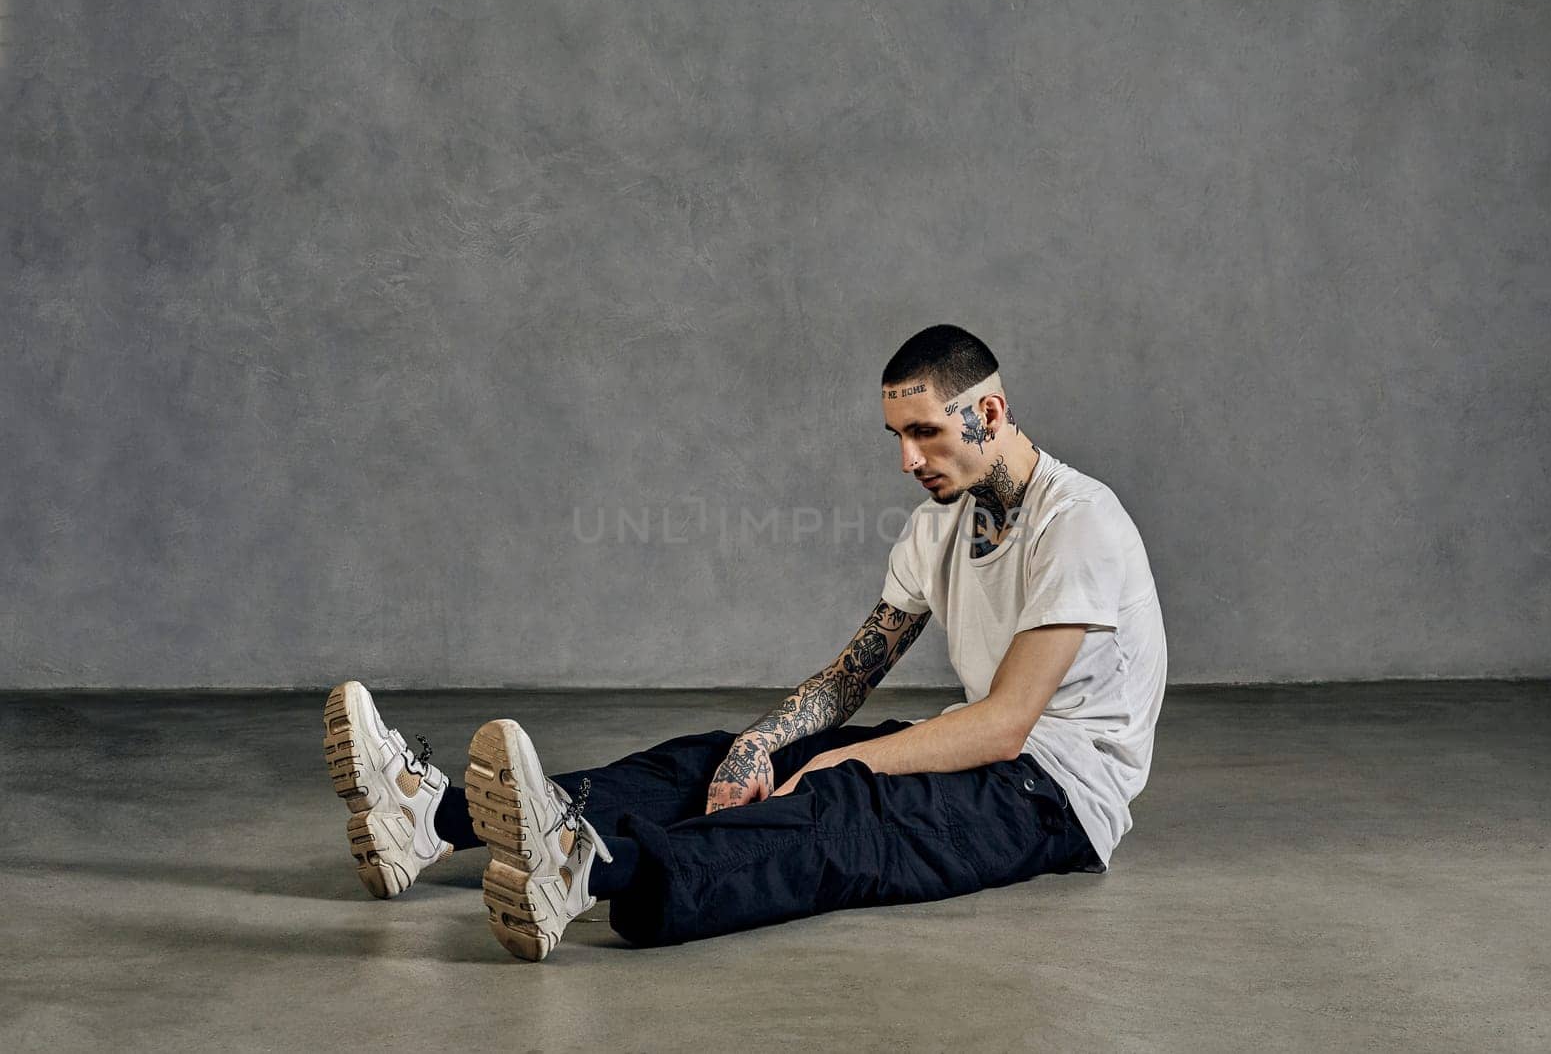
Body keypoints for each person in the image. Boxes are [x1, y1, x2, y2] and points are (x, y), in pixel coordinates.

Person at [321, 323, 1168, 961]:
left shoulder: (1076, 520)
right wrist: (761, 743)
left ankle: (580, 871)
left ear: (988, 412)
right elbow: (850, 677)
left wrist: (842, 763)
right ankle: (427, 815)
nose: (907, 459)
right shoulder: (937, 524)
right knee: (714, 758)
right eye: (896, 438)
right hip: (990, 757)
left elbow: (1008, 723)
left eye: (926, 434)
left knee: (838, 811)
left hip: (1056, 795)